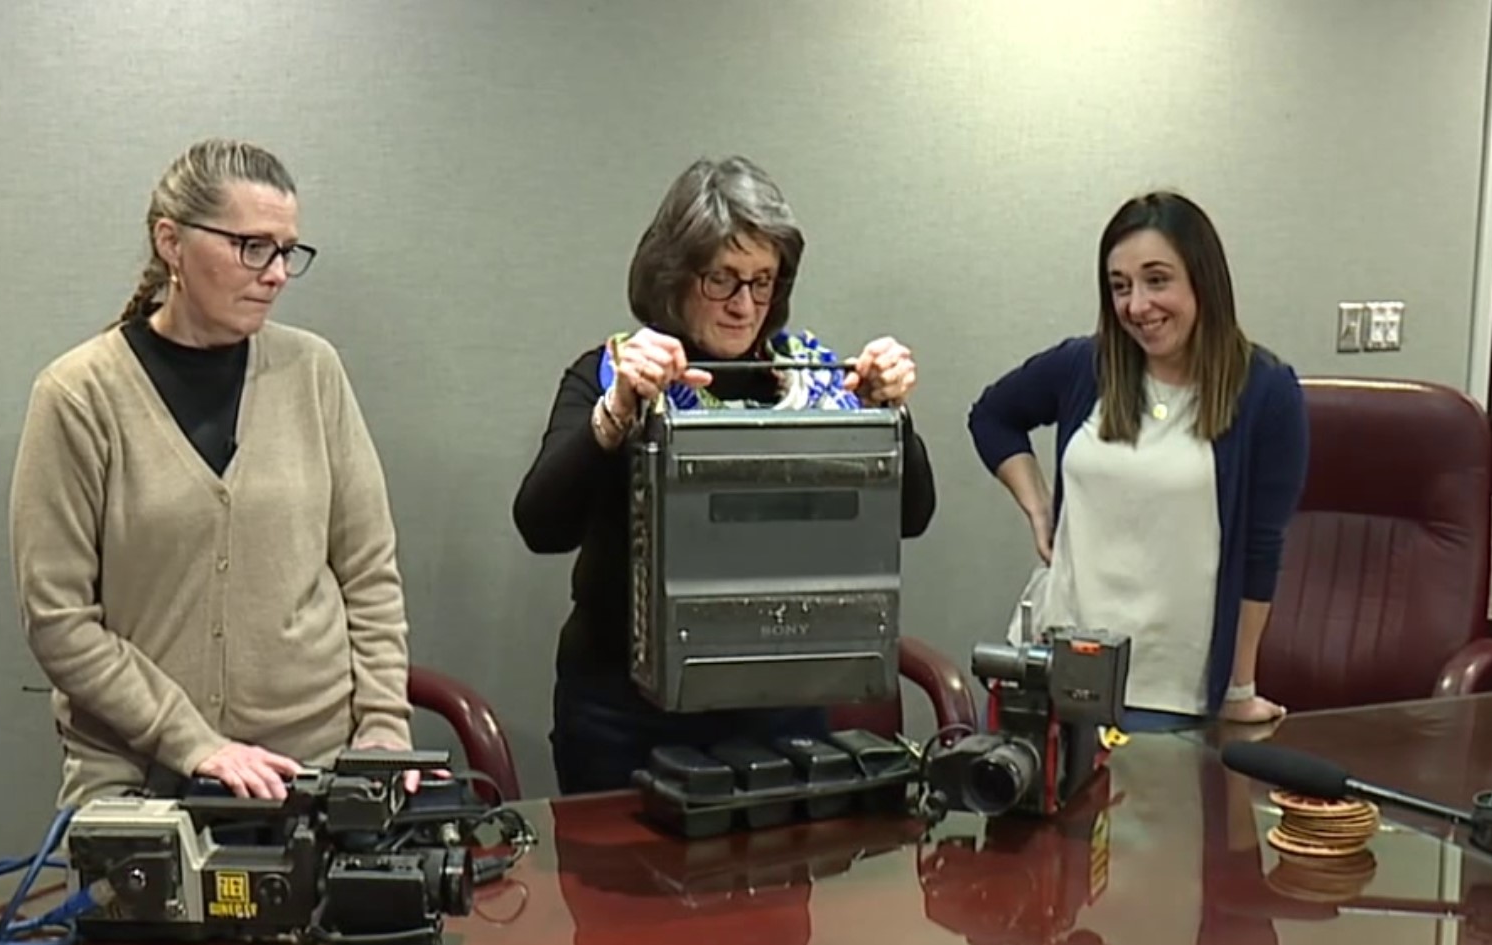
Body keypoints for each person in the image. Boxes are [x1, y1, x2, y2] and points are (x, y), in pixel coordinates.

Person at [10, 137, 416, 808]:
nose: (276, 272)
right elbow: (58, 620)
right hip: (140, 773)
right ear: (171, 242)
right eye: (251, 246)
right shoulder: (79, 394)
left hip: (312, 765)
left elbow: (369, 573)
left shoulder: (312, 371)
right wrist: (195, 744)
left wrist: (380, 726)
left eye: (287, 251)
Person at [513, 155, 938, 795]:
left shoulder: (814, 380)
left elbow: (911, 517)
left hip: (781, 704)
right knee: (623, 897)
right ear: (675, 276)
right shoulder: (613, 373)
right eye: (723, 280)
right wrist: (618, 412)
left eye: (763, 282)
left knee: (776, 890)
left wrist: (891, 414)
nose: (746, 306)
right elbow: (540, 525)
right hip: (625, 716)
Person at [967, 191, 1309, 730]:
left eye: (1157, 280)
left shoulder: (1265, 392)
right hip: (1057, 671)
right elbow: (992, 417)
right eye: (1120, 286)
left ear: (1203, 279)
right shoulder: (1087, 365)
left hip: (1173, 693)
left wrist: (1239, 689)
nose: (1137, 306)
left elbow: (1260, 552)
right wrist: (1038, 507)